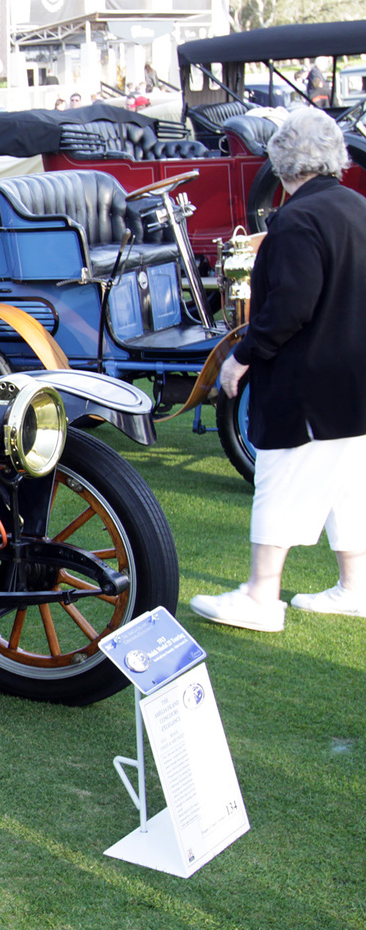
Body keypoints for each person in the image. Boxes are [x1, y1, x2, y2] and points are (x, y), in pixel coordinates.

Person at [191, 108, 366, 631]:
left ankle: (261, 596)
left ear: (283, 164)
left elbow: (290, 305)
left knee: (277, 478)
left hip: (312, 380)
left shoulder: (296, 220)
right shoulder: (359, 207)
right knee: (350, 486)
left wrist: (239, 358)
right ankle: (355, 586)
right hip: (355, 377)